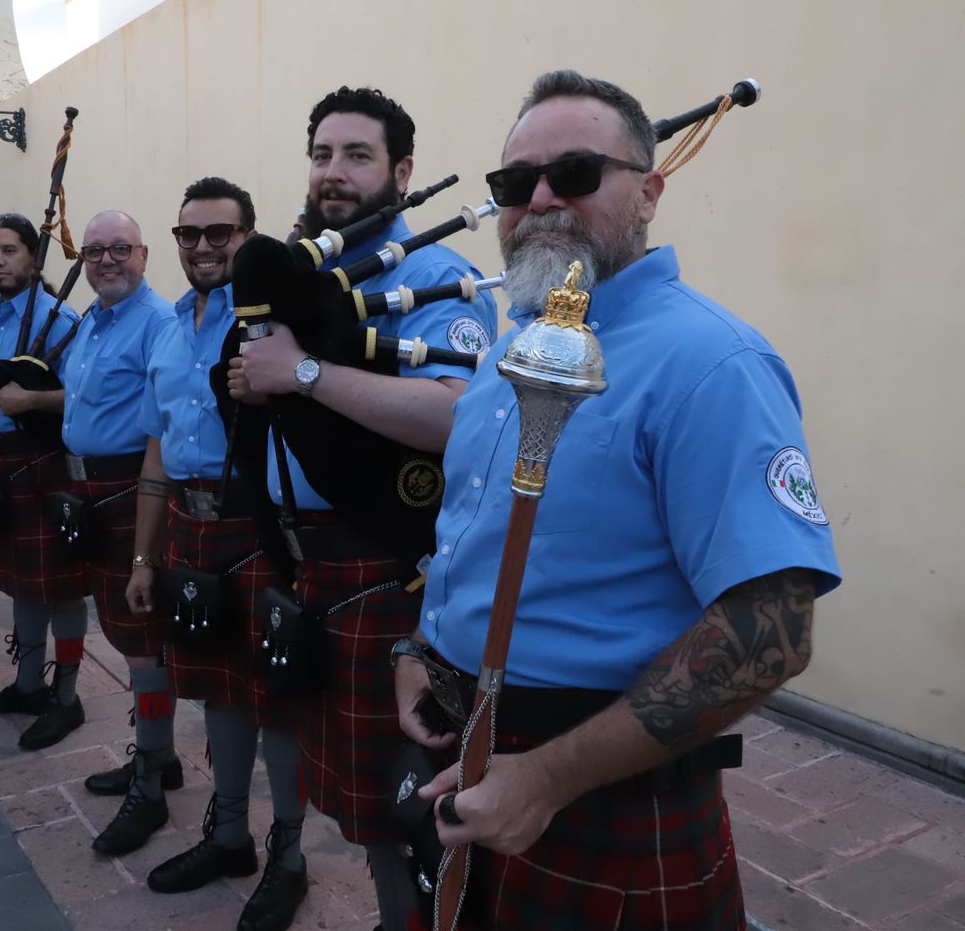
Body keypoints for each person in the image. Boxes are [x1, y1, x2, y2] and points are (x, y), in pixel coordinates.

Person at [396, 70, 842, 929]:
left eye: (573, 173)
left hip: (600, 792)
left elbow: (771, 627)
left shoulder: (712, 364)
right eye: (513, 183)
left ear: (649, 192)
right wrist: (417, 649)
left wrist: (547, 779)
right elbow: (473, 533)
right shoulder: (511, 348)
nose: (539, 199)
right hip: (464, 754)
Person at [229, 86, 496, 931]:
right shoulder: (299, 273)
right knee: (356, 796)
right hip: (305, 563)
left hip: (388, 567)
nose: (333, 174)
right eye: (321, 155)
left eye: (357, 156)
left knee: (404, 800)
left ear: (402, 171)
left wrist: (302, 374)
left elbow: (457, 415)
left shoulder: (433, 275)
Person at [122, 177, 310, 930]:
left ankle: (290, 857)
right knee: (222, 695)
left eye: (219, 233)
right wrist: (143, 558)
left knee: (280, 700)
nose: (202, 246)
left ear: (248, 235)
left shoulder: (283, 319)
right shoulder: (170, 330)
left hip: (264, 528)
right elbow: (158, 449)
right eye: (188, 234)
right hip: (192, 532)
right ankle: (228, 835)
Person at [0, 209, 178, 855]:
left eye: (120, 248)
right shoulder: (94, 325)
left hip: (136, 489)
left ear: (145, 253)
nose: (106, 259)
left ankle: (152, 782)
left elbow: (162, 428)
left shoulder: (158, 323)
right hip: (93, 490)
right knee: (130, 635)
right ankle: (161, 756)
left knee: (144, 646)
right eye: (96, 249)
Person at [0, 214, 91, 752]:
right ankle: (27, 684)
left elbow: (86, 395)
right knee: (19, 583)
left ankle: (66, 696)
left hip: (43, 463)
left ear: (35, 259)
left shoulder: (58, 319)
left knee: (59, 587)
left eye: (9, 250)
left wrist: (33, 402)